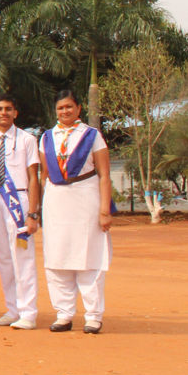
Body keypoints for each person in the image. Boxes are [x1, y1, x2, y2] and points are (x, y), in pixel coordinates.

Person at [38, 90, 113, 334]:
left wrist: (104, 209)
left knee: (88, 257)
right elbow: (44, 175)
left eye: (69, 107)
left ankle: (93, 315)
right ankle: (64, 313)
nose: (65, 112)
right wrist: (38, 207)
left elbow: (104, 174)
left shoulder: (92, 136)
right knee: (58, 258)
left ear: (79, 108)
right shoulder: (47, 137)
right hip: (56, 200)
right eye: (61, 108)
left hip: (85, 197)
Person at [0, 94, 41, 330]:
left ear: (15, 113)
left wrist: (33, 213)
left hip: (20, 199)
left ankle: (28, 312)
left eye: (8, 109)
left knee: (23, 259)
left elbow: (33, 177)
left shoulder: (27, 139)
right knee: (5, 259)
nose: (4, 113)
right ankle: (12, 309)